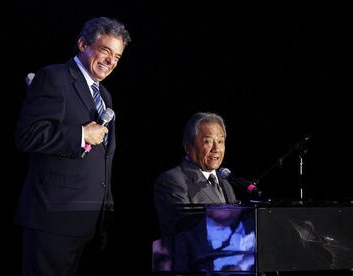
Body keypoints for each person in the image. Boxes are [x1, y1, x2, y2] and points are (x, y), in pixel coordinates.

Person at [14, 17, 131, 276]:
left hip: (86, 223)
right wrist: (80, 134)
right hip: (52, 219)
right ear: (82, 44)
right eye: (105, 51)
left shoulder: (104, 95)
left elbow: (103, 160)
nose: (111, 62)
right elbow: (27, 135)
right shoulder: (53, 77)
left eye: (118, 57)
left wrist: (105, 212)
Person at [154, 112, 238, 238]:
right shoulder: (172, 181)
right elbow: (184, 229)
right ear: (188, 147)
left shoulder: (225, 184)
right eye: (208, 142)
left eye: (220, 141)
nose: (216, 149)